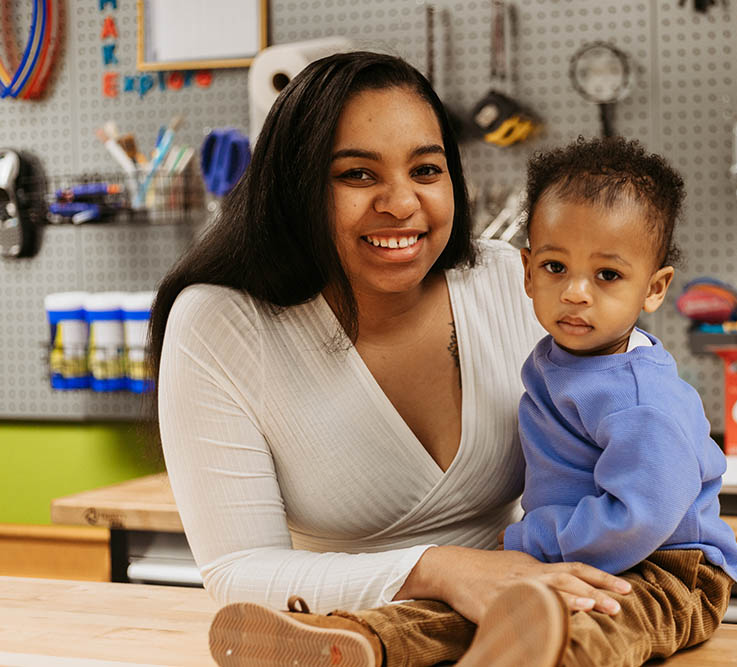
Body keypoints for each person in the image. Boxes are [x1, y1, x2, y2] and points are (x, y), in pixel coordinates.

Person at [149, 52, 634, 667]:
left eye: (426, 170)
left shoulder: (511, 279)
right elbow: (236, 572)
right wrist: (443, 570)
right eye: (357, 175)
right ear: (296, 186)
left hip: (526, 617)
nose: (402, 203)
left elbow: (636, 387)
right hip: (349, 630)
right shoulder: (220, 323)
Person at [499, 136, 737, 665]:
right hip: (584, 552)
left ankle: (547, 656)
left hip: (671, 569)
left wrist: (534, 543)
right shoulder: (558, 358)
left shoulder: (638, 395)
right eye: (554, 267)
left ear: (654, 289)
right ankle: (372, 640)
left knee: (596, 626)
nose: (575, 292)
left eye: (607, 275)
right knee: (470, 605)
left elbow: (642, 515)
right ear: (526, 270)